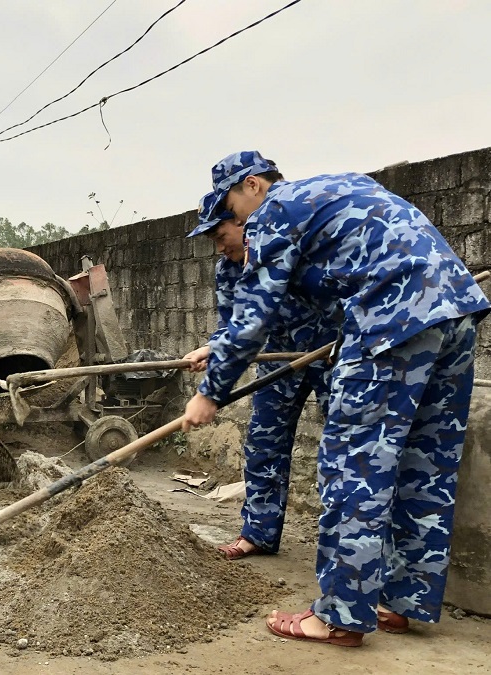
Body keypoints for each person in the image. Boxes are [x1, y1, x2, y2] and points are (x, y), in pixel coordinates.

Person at [183, 150, 490, 646]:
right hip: (453, 312)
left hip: (389, 321)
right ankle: (400, 601)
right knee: (424, 465)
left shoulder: (274, 211)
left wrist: (211, 393)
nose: (237, 222)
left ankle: (339, 616)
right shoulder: (337, 187)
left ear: (254, 186)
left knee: (356, 465)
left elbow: (254, 315)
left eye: (232, 210)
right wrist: (221, 347)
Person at [183, 187, 335, 560]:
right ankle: (259, 534)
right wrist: (213, 347)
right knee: (264, 443)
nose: (219, 248)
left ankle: (342, 558)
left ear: (243, 220)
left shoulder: (282, 241)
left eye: (221, 236)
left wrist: (211, 392)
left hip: (330, 350)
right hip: (276, 358)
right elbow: (232, 323)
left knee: (342, 447)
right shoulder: (228, 269)